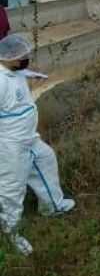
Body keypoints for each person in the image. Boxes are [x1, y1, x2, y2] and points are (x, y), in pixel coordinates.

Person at [0, 34, 75, 256]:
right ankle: (11, 233)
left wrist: (34, 75)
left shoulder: (14, 71)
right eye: (22, 57)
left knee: (46, 160)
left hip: (29, 138)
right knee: (12, 188)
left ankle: (52, 206)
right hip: (11, 145)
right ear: (9, 58)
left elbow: (21, 75)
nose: (26, 59)